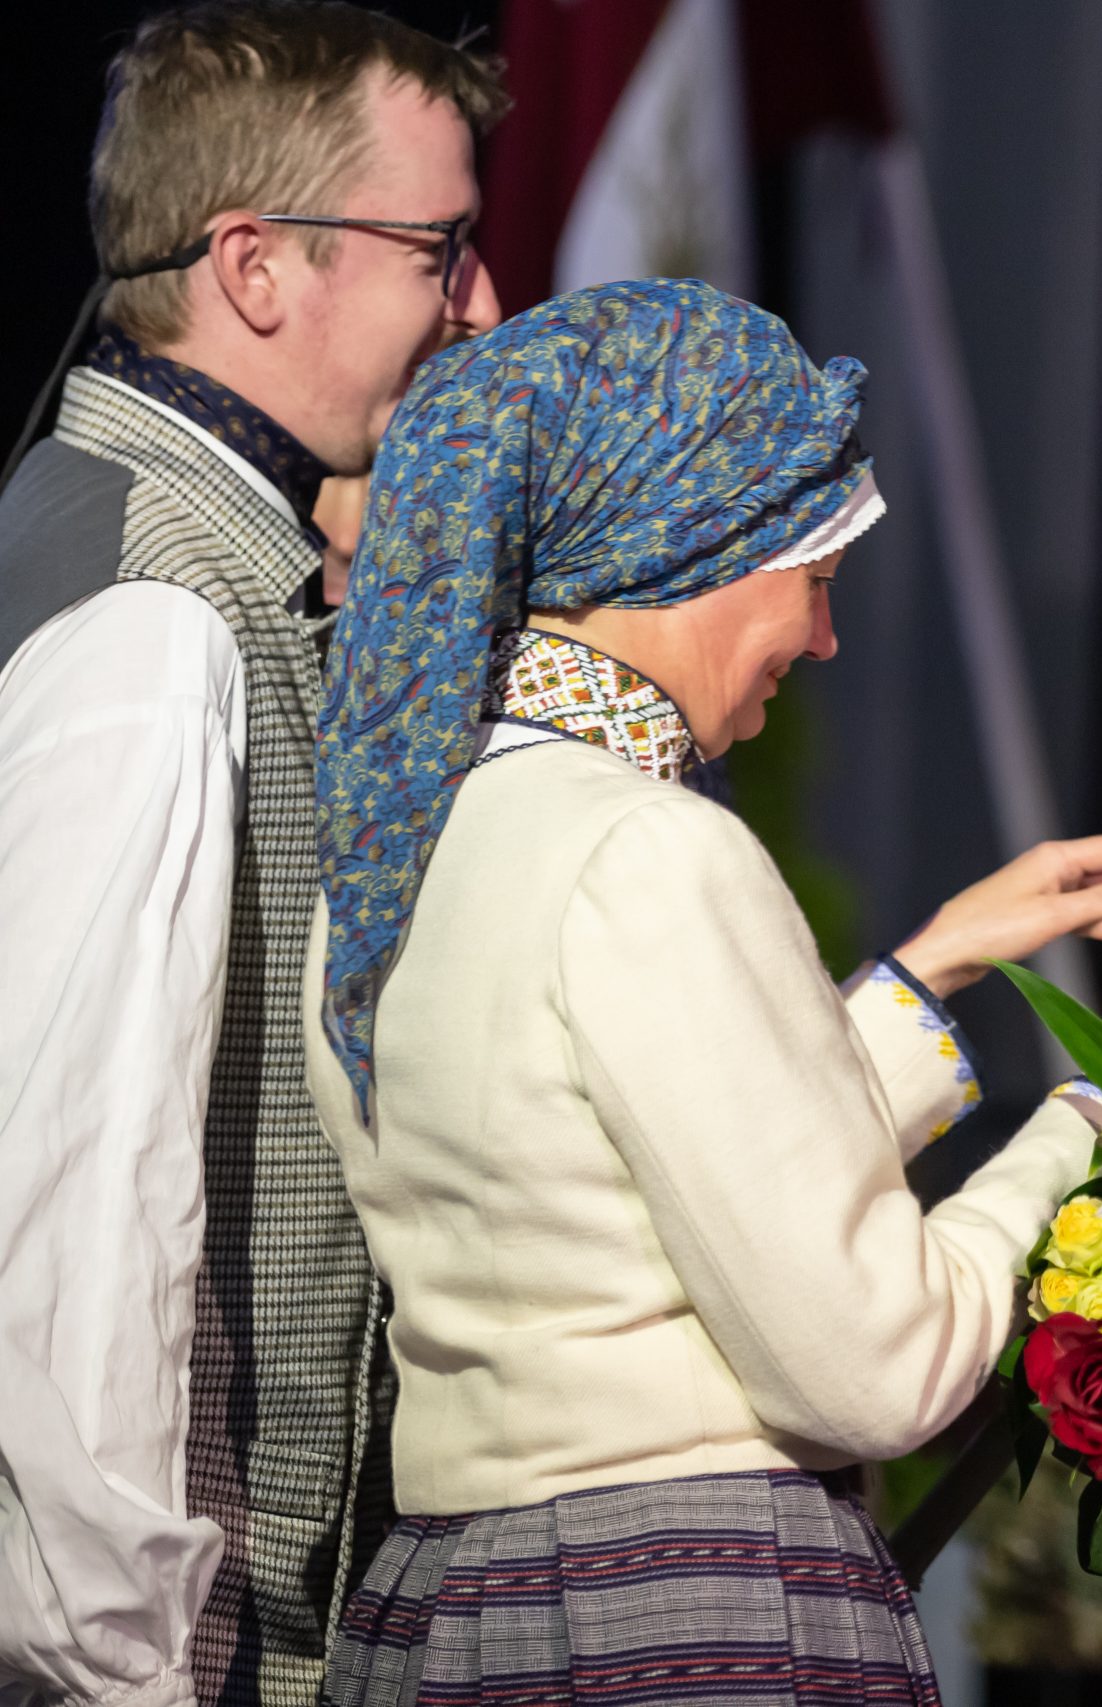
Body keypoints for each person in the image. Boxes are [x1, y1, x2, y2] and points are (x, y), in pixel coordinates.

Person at [300, 278, 1102, 1705]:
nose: (824, 637)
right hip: (680, 1610)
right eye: (814, 574)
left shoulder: (397, 845)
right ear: (692, 544)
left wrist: (933, 964)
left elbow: (630, 1175)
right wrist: (1089, 1127)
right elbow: (879, 1368)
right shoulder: (650, 847)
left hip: (449, 1603)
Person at [0, 9, 510, 1704]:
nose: (472, 303)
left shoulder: (158, 549)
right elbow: (72, 1206)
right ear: (255, 266)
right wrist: (123, 1669)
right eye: (437, 249)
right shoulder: (159, 615)